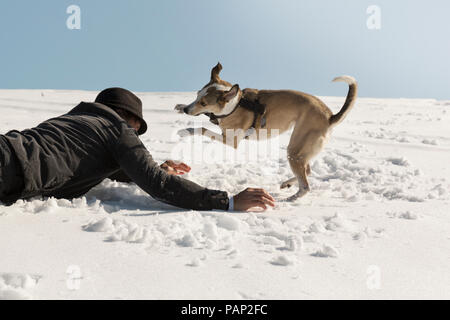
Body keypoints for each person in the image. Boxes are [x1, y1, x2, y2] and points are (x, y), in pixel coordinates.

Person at [0, 87, 275, 211]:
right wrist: (226, 201)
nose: (134, 134)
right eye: (136, 127)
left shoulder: (72, 121)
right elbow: (156, 184)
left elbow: (122, 169)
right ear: (126, 116)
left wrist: (158, 166)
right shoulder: (115, 128)